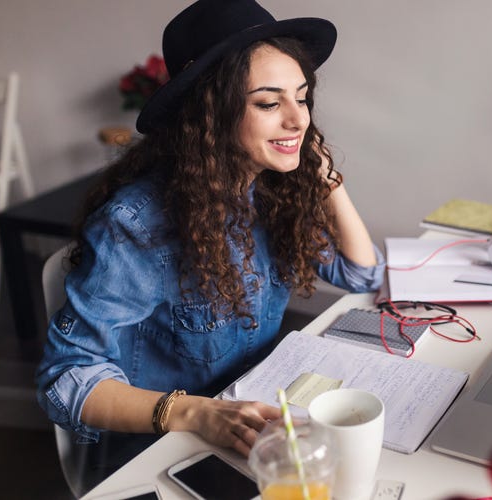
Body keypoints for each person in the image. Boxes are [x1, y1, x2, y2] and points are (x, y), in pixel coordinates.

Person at [35, 0, 384, 487]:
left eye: (301, 98)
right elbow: (64, 381)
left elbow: (361, 274)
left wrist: (326, 176)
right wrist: (196, 414)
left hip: (253, 423)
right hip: (163, 447)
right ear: (210, 114)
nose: (298, 120)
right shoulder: (139, 226)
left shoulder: (270, 189)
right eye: (269, 102)